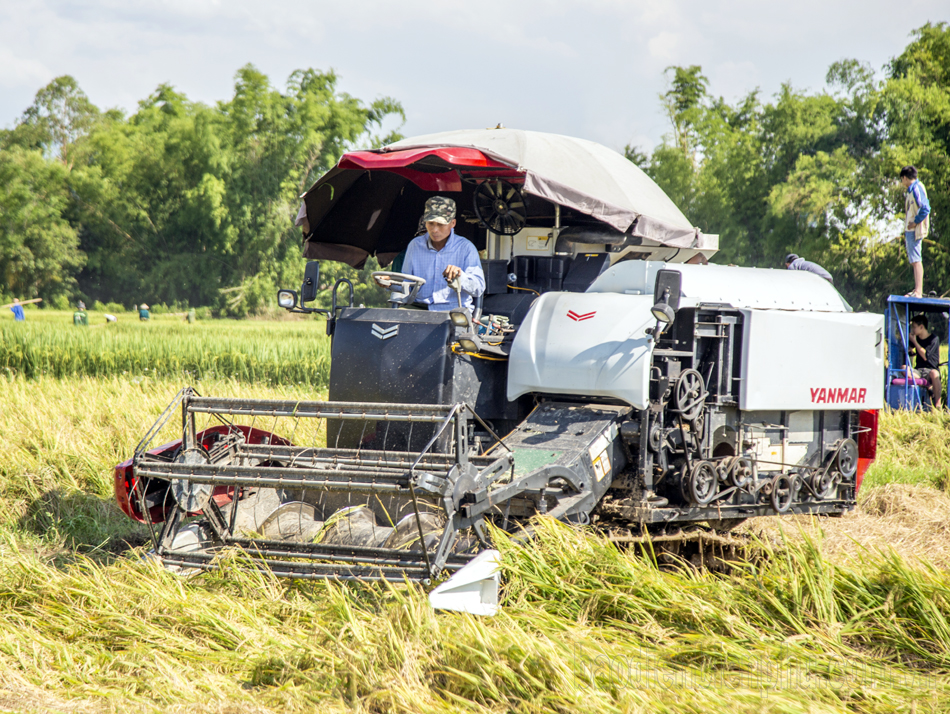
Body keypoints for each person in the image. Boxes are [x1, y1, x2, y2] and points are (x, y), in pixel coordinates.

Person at [395, 196, 485, 311]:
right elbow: (407, 283)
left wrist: (460, 276)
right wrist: (390, 283)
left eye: (440, 224)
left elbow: (478, 288)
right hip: (419, 307)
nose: (434, 229)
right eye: (431, 223)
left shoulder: (466, 248)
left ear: (453, 223)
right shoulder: (415, 245)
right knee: (395, 319)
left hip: (453, 310)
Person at [900, 166, 931, 298]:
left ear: (905, 178)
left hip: (915, 230)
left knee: (916, 260)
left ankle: (918, 291)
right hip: (910, 230)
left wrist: (915, 222)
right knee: (914, 260)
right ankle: (917, 289)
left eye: (902, 179)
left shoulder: (917, 188)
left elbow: (925, 208)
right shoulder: (911, 190)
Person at [909, 314, 941, 408]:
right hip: (918, 371)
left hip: (930, 370)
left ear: (921, 327)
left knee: (934, 373)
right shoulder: (915, 338)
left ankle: (938, 404)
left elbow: (925, 356)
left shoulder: (933, 339)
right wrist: (909, 349)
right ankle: (926, 386)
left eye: (914, 327)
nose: (913, 330)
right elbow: (909, 349)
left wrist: (915, 342)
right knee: (904, 369)